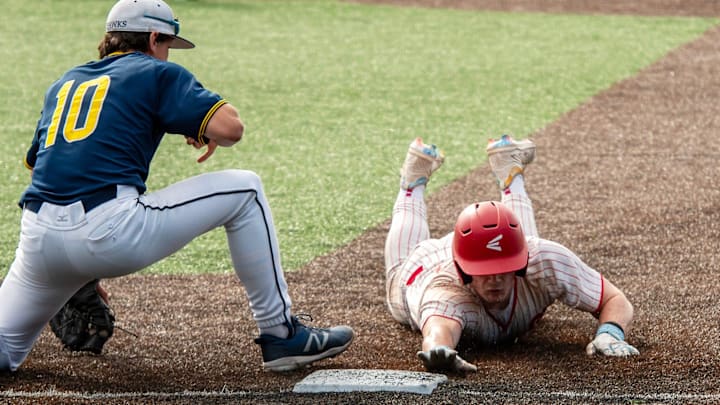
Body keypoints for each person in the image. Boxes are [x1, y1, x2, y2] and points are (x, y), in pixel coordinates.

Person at [0, 0, 354, 373]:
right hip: (110, 232)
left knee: (4, 348)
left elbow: (42, 165)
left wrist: (75, 272)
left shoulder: (65, 82)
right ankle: (281, 334)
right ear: (153, 38)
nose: (167, 54)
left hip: (38, 243)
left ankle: (72, 280)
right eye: (167, 45)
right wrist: (193, 122)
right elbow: (231, 129)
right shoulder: (154, 72)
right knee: (246, 191)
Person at [384, 135, 639, 373]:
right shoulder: (446, 292)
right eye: (484, 271)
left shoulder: (543, 258)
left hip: (480, 248)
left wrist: (610, 332)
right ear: (464, 271)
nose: (494, 278)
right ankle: (411, 184)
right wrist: (439, 351)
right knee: (397, 274)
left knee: (522, 238)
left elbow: (613, 298)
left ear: (520, 262)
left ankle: (510, 172)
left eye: (503, 267)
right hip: (417, 271)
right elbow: (439, 330)